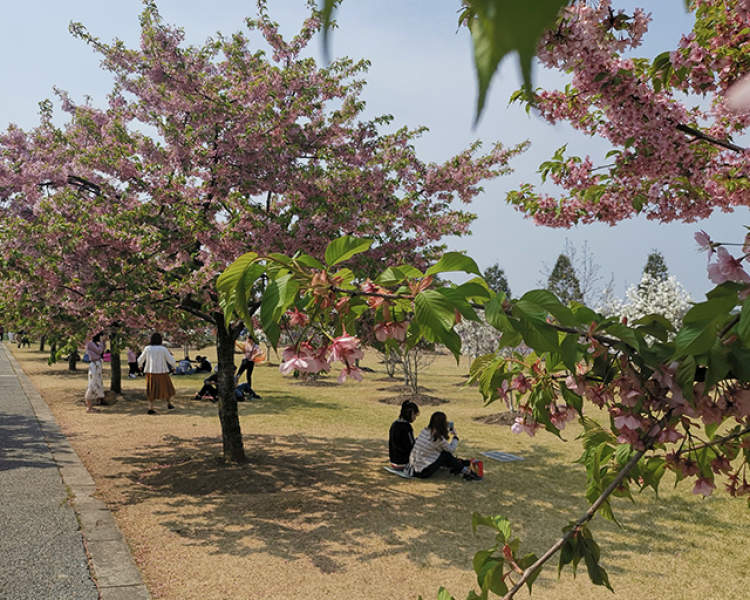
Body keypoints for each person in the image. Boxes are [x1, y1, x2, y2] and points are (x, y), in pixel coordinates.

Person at [409, 411, 480, 481]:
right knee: (445, 455)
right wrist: (455, 437)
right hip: (423, 472)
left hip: (413, 468)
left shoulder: (424, 431)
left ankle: (460, 464)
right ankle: (467, 472)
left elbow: (435, 446)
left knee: (443, 454)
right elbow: (451, 449)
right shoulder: (438, 438)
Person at [137, 332, 177, 414]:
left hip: (151, 372)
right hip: (162, 372)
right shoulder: (163, 349)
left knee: (151, 389)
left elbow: (140, 359)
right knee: (166, 388)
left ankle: (151, 407)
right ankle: (169, 403)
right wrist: (174, 367)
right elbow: (170, 359)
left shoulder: (147, 348)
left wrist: (140, 365)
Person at [388, 400, 420, 470]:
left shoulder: (394, 424)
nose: (415, 417)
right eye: (414, 415)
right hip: (403, 463)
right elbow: (412, 447)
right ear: (410, 413)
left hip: (393, 461)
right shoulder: (407, 427)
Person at [84, 332, 106, 413]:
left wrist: (103, 342)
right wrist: (102, 342)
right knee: (92, 384)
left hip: (97, 365)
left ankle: (91, 406)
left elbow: (101, 350)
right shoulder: (90, 343)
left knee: (97, 384)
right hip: (94, 365)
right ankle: (89, 407)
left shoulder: (94, 343)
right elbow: (99, 351)